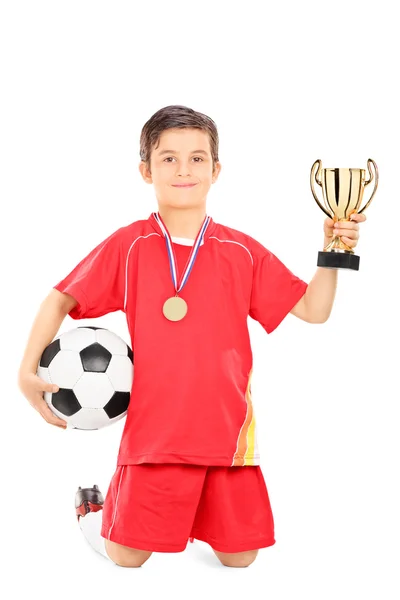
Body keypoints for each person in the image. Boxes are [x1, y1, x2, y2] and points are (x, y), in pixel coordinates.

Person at [18, 105, 366, 569]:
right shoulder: (130, 244)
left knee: (241, 559)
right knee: (126, 557)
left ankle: (193, 518)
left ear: (216, 170)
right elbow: (60, 298)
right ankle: (92, 513)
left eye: (198, 158)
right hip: (155, 436)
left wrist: (334, 248)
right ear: (146, 170)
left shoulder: (241, 250)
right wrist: (26, 371)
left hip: (226, 434)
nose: (184, 169)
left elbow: (314, 310)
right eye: (168, 158)